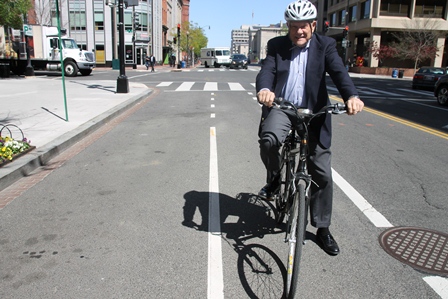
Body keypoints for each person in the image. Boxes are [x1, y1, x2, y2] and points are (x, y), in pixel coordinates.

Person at [256, 0, 364, 256]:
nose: (299, 32)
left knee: (322, 173)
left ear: (313, 25)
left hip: (314, 113)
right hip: (283, 108)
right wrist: (264, 89)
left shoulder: (325, 46)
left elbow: (339, 73)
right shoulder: (276, 45)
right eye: (294, 27)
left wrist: (352, 96)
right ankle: (273, 179)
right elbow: (267, 71)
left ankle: (323, 228)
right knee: (269, 140)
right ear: (288, 27)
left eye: (303, 27)